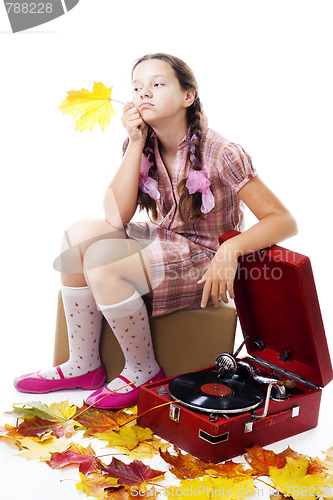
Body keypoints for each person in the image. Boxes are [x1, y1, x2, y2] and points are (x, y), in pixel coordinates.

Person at [14, 53, 297, 409]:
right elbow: (115, 217)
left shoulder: (221, 151)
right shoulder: (143, 144)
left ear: (187, 96)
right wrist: (134, 142)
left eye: (157, 84)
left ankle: (142, 368)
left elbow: (283, 220)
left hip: (205, 256)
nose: (143, 93)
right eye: (136, 86)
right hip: (167, 240)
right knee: (77, 236)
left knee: (105, 261)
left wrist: (230, 250)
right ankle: (83, 365)